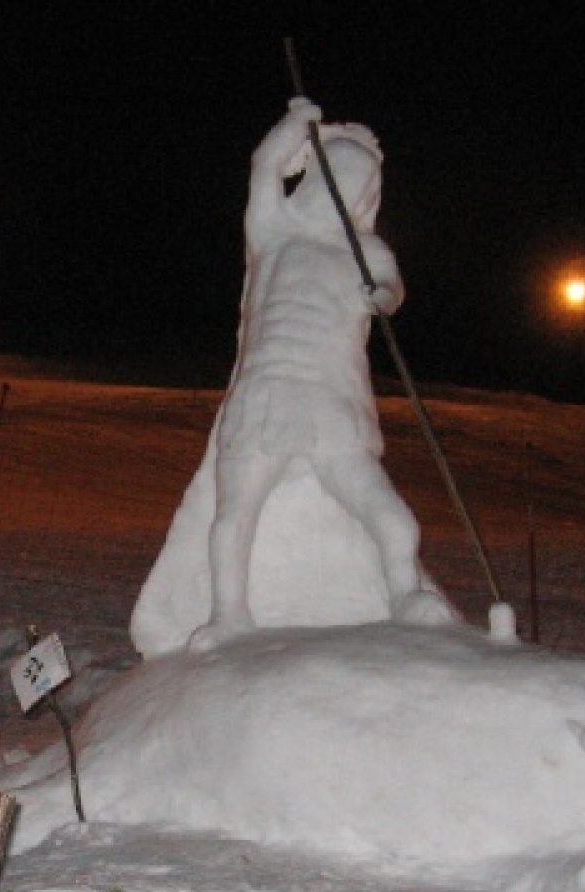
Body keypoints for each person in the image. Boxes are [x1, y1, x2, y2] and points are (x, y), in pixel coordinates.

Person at [190, 97, 456, 651]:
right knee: (234, 515)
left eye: (355, 184)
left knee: (391, 515)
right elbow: (265, 166)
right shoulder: (274, 232)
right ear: (315, 179)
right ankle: (227, 613)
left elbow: (391, 290)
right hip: (264, 394)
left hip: (331, 400)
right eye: (335, 177)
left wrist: (379, 296)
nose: (341, 193)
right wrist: (296, 125)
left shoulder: (366, 251)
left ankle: (405, 594)